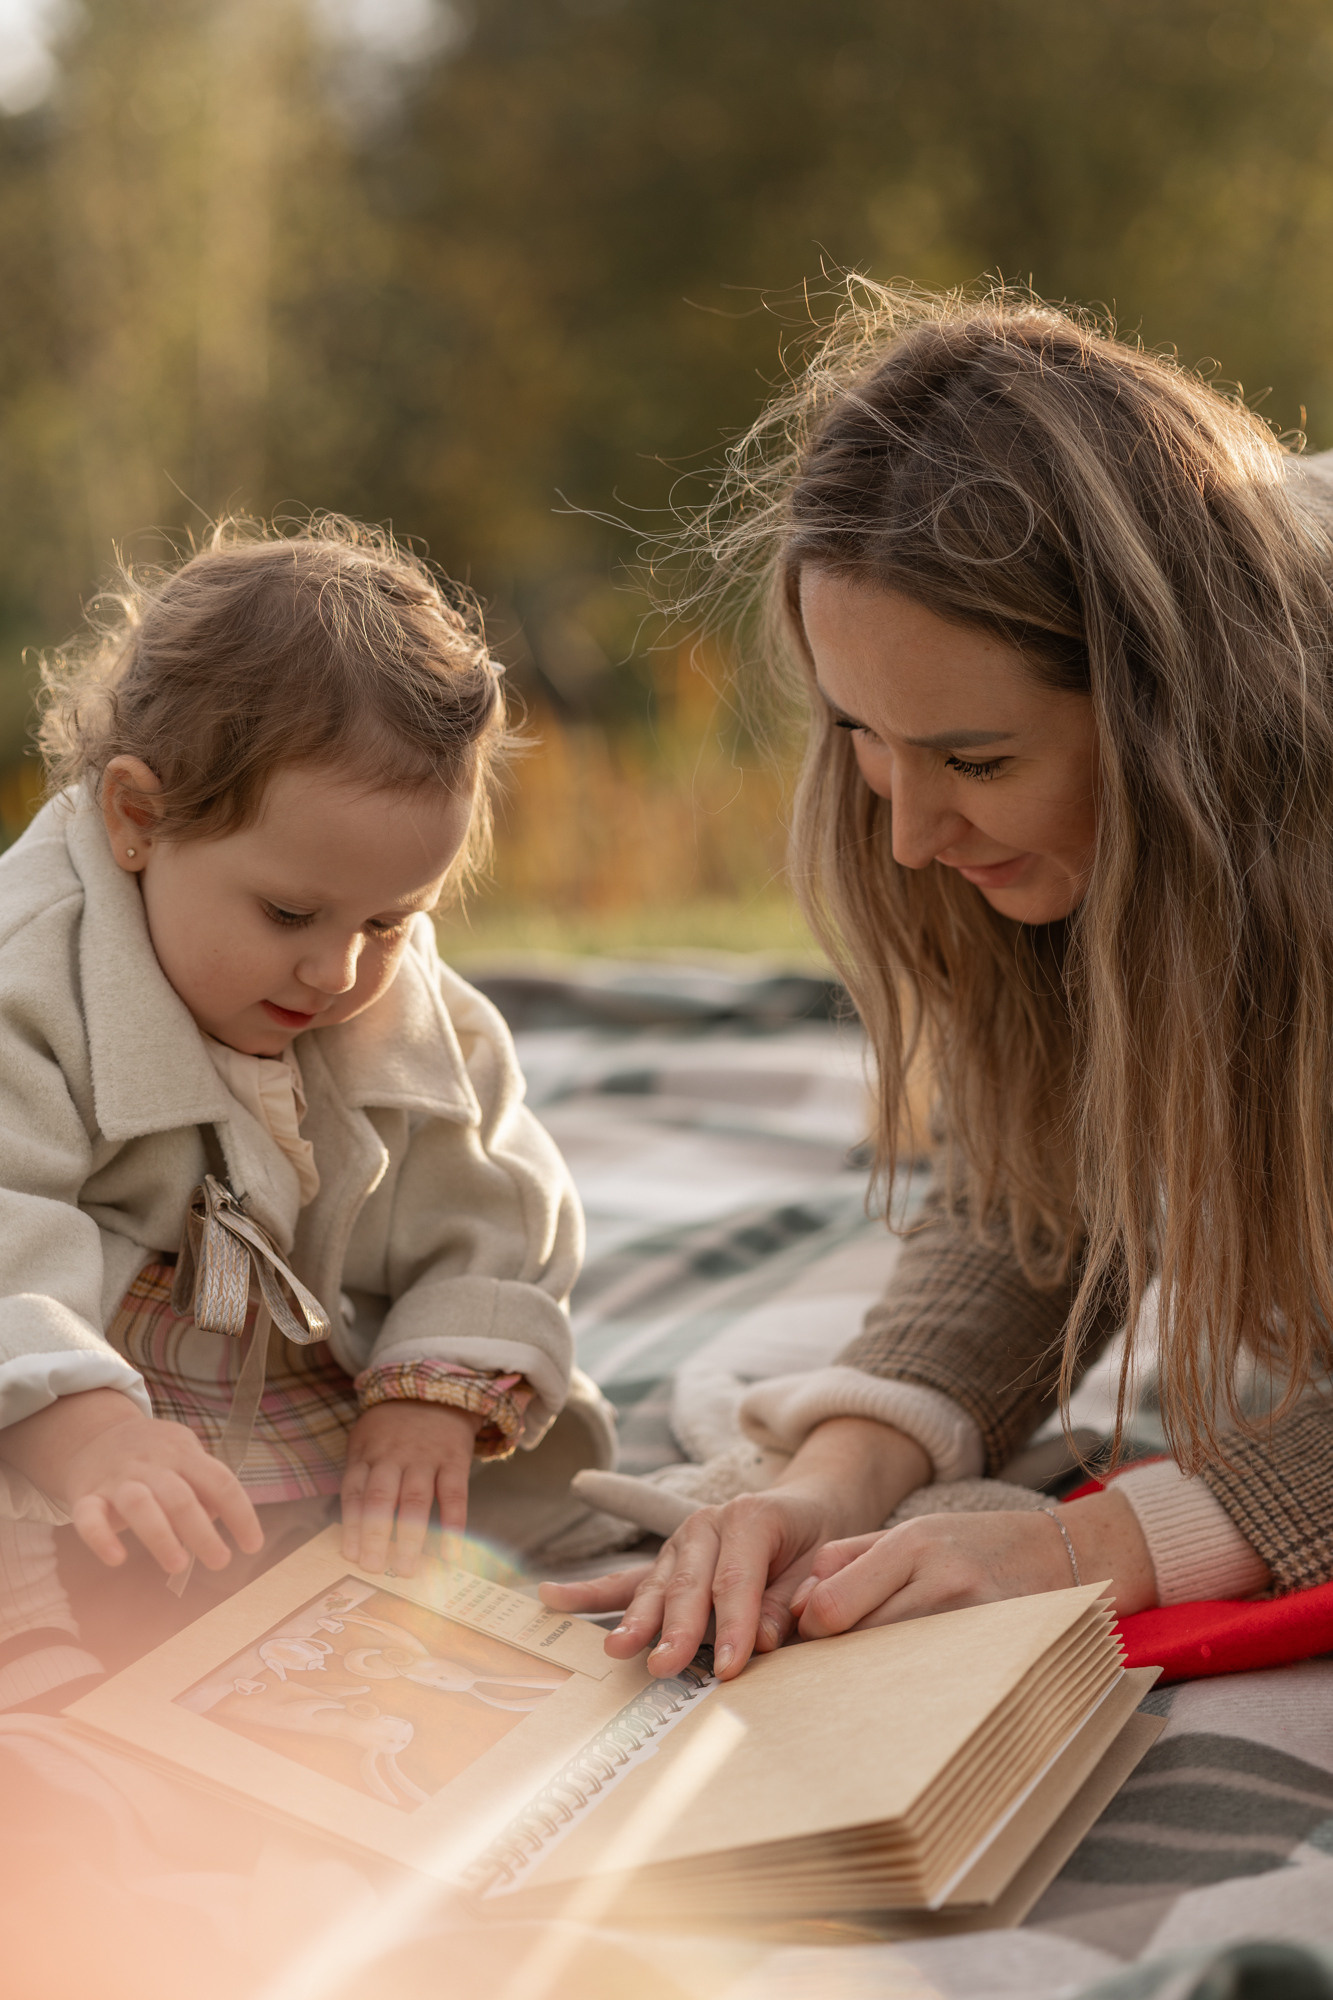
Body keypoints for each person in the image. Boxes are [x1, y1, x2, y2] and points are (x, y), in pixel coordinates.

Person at [543, 285, 1333, 1681]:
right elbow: (1032, 1186)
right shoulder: (1033, 845)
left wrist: (1101, 1544)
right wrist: (831, 1477)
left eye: (975, 763)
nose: (907, 835)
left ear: (1183, 722)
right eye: (862, 735)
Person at [0, 517, 597, 1712]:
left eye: (390, 920)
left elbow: (487, 1205)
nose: (337, 970)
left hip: (274, 1402)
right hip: (65, 1411)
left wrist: (432, 1389)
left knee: (447, 1510)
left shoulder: (396, 1005)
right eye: (288, 913)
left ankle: (317, 1610)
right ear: (135, 816)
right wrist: (85, 1434)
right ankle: (35, 1658)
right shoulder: (31, 979)